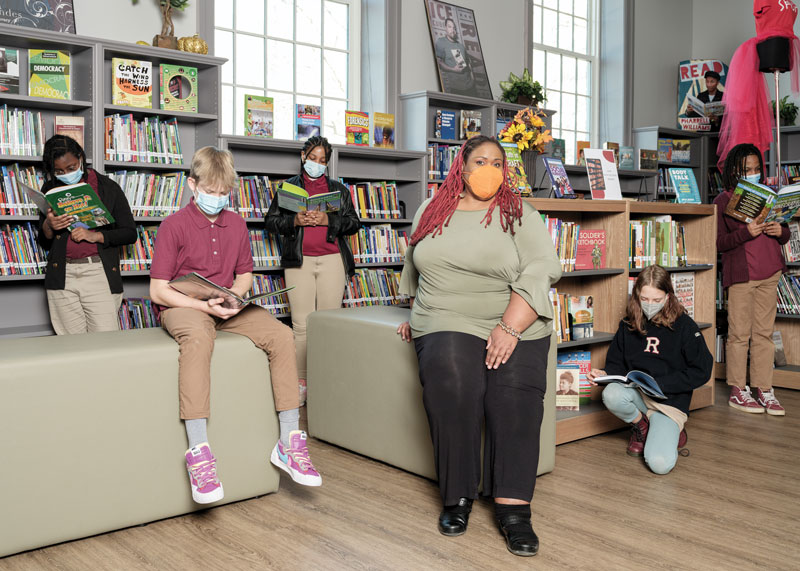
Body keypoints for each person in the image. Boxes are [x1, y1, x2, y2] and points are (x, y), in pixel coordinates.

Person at [396, 135, 561, 557]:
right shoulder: (430, 211)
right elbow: (416, 265)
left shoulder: (518, 214)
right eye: (480, 161)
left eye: (497, 162)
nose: (489, 168)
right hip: (445, 316)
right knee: (453, 383)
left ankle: (513, 509)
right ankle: (458, 497)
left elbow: (543, 267)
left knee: (515, 396)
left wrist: (510, 326)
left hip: (513, 316)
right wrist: (414, 315)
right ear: (461, 168)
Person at [150, 146, 320, 505]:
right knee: (198, 339)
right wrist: (200, 304)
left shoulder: (237, 224)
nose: (216, 198)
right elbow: (159, 290)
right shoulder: (173, 225)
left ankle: (289, 441)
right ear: (191, 184)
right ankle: (198, 451)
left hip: (224, 303)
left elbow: (244, 274)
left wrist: (233, 297)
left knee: (282, 334)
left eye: (223, 192)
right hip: (183, 304)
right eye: (209, 191)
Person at [587, 265, 713, 475]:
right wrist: (603, 374)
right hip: (638, 395)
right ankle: (642, 425)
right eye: (644, 299)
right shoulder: (628, 324)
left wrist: (662, 384)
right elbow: (616, 365)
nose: (650, 305)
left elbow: (701, 371)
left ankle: (669, 431)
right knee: (611, 394)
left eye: (656, 300)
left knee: (660, 465)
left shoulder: (685, 326)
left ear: (668, 296)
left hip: (669, 403)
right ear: (637, 296)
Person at [265, 136, 360, 402]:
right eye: (313, 158)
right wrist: (294, 220)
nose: (317, 164)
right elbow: (271, 222)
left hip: (332, 260)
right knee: (301, 325)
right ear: (303, 156)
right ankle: (302, 382)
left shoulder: (339, 190)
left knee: (327, 323)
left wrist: (328, 219)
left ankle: (326, 377)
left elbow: (354, 223)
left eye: (322, 161)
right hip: (299, 262)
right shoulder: (288, 187)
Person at [714, 143, 789, 415]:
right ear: (735, 171)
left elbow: (786, 235)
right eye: (747, 170)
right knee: (739, 335)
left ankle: (764, 390)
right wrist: (748, 232)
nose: (754, 173)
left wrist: (778, 229)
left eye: (757, 168)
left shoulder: (770, 194)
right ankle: (737, 389)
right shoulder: (723, 201)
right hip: (742, 276)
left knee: (764, 334)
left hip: (770, 272)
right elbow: (720, 243)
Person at [38, 134, 136, 334]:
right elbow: (44, 242)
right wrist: (49, 225)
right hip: (62, 275)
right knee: (70, 345)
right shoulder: (49, 189)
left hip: (98, 272)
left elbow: (130, 233)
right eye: (59, 171)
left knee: (104, 342)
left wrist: (97, 236)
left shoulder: (108, 188)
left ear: (81, 158)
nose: (66, 173)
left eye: (71, 167)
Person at [433, 17, 475, 95]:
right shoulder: (441, 42)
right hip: (455, 88)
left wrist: (473, 79)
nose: (452, 30)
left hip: (470, 86)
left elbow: (468, 64)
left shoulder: (461, 46)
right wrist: (453, 69)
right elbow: (439, 62)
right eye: (450, 27)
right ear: (445, 28)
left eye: (454, 28)